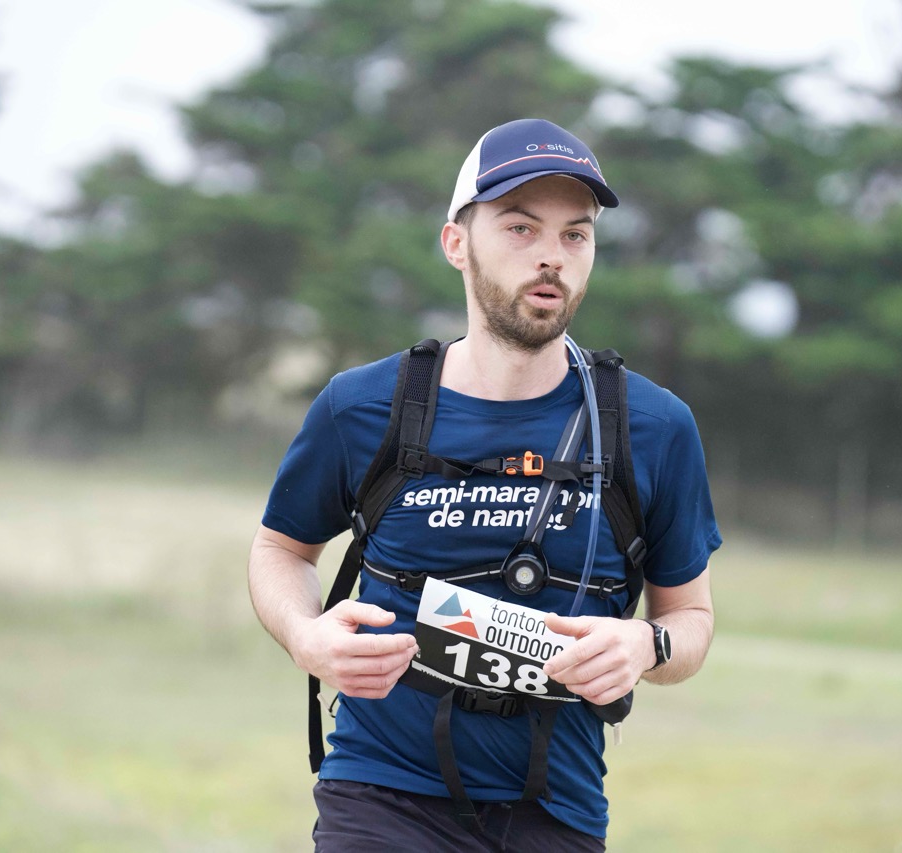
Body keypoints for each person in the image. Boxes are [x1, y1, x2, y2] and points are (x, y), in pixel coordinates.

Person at [248, 118, 722, 851]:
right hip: (381, 794)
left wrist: (645, 645)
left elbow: (689, 617)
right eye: (520, 228)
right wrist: (307, 637)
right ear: (456, 243)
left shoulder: (654, 426)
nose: (552, 256)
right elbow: (280, 550)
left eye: (575, 234)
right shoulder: (363, 405)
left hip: (557, 809)